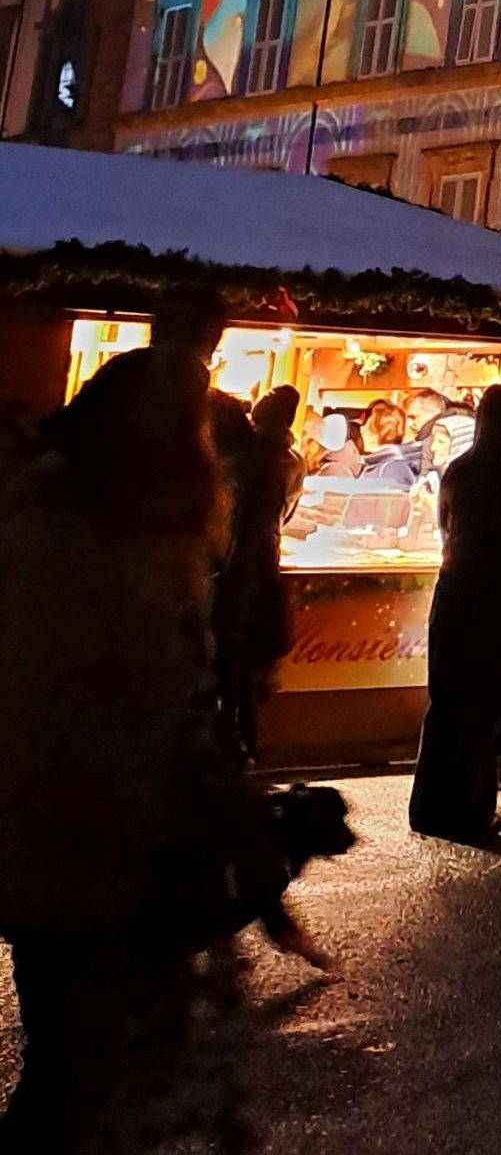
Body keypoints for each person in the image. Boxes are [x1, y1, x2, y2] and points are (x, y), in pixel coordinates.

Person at [0, 337, 281, 1149]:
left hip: (40, 829)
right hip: (98, 834)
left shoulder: (38, 512)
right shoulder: (130, 547)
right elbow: (152, 704)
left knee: (66, 1052)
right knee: (82, 1072)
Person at [411, 383, 501, 842]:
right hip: (498, 598)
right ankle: (473, 808)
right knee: (484, 705)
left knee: (446, 701)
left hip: (452, 591)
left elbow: (444, 527)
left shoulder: (459, 470)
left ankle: (428, 805)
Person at [211, 384, 304, 763]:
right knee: (244, 673)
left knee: (230, 669)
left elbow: (235, 533)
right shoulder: (288, 461)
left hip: (238, 579)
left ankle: (232, 747)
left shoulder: (245, 466)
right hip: (258, 576)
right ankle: (242, 746)